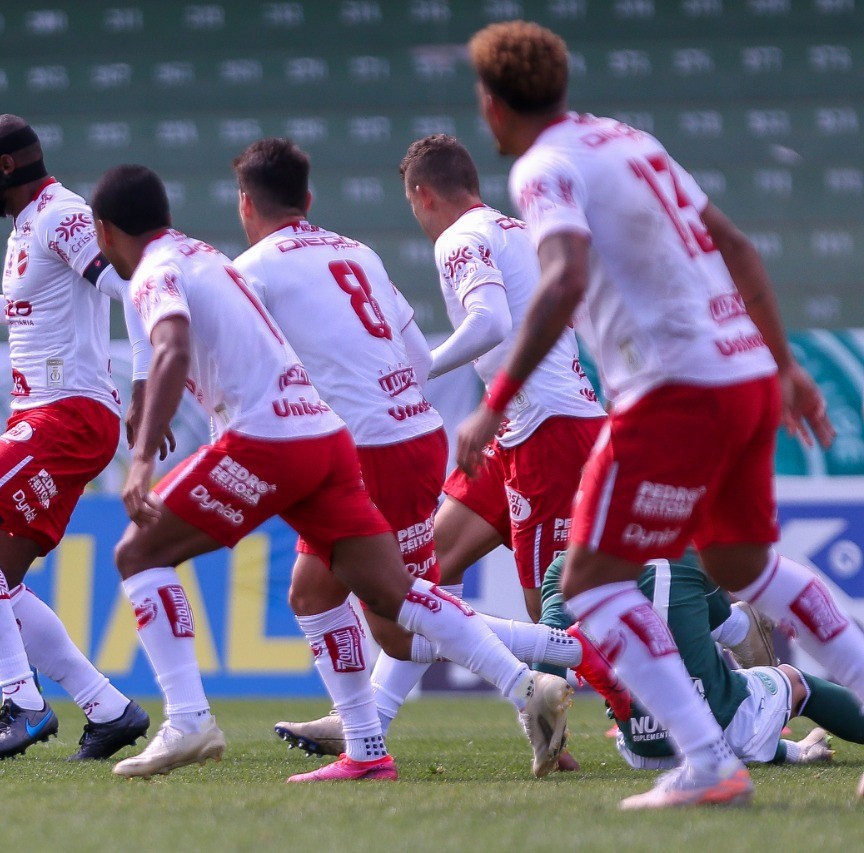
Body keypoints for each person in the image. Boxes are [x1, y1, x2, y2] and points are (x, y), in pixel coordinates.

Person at [456, 21, 855, 809]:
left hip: (673, 386)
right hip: (740, 373)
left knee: (590, 582)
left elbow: (564, 278)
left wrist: (492, 403)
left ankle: (708, 759)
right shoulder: (630, 143)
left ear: (493, 106)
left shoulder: (543, 169)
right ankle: (716, 750)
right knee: (749, 568)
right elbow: (737, 248)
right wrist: (785, 367)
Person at [89, 163, 572, 782]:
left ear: (104, 232)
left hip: (293, 438)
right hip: (338, 435)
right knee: (353, 595)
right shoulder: (225, 256)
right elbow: (417, 357)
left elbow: (173, 345)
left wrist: (143, 458)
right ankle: (388, 742)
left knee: (138, 555)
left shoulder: (219, 266)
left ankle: (188, 718)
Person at [227, 137, 577, 779]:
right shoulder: (362, 249)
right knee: (393, 592)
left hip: (501, 430)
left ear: (244, 203)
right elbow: (412, 351)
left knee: (410, 609)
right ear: (308, 199)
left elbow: (488, 323)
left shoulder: (254, 267)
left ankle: (556, 672)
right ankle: (367, 733)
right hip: (448, 432)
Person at [0, 114, 149, 762]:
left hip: (66, 414)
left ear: (3, 169)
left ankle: (22, 702)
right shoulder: (31, 224)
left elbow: (134, 293)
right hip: (52, 415)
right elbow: (40, 302)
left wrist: (144, 390)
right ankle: (109, 708)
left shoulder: (64, 215)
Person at [539, 551, 853, 771]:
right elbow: (718, 616)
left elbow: (548, 644)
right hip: (717, 723)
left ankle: (797, 751)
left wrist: (549, 744)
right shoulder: (693, 552)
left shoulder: (566, 566)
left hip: (642, 746)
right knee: (795, 681)